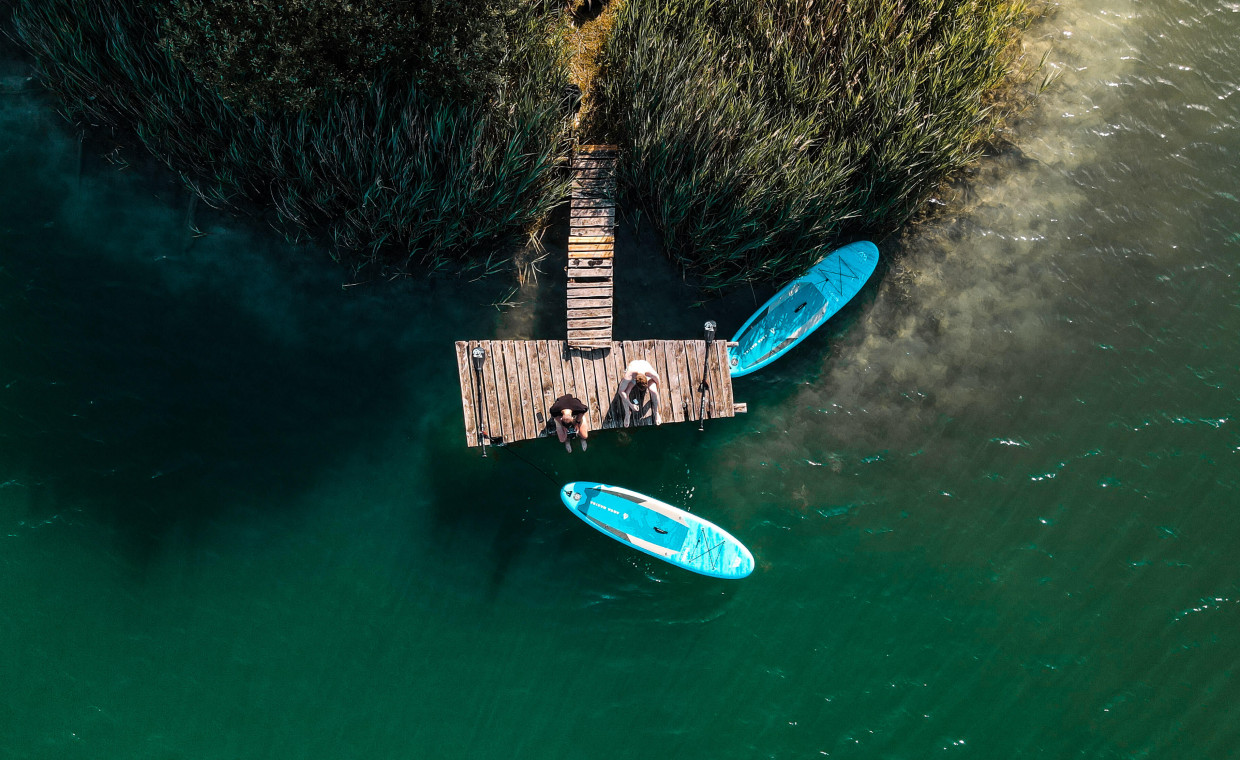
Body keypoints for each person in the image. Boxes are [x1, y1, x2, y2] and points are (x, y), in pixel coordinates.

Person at [618, 358, 661, 427]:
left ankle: (656, 412)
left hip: (645, 374)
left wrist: (656, 390)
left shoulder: (649, 373)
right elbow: (621, 391)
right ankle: (627, 413)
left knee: (654, 392)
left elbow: (657, 380)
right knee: (626, 393)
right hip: (634, 376)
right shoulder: (629, 376)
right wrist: (631, 405)